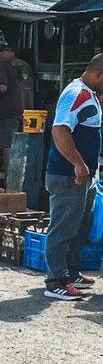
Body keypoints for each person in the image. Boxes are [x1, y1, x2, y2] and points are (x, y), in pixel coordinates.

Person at [43, 56, 103, 301]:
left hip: (82, 175)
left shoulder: (89, 95)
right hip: (68, 175)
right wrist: (78, 164)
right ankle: (55, 281)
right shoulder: (77, 93)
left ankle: (72, 273)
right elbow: (59, 130)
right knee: (62, 229)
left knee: (78, 226)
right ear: (100, 75)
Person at [0, 43, 34, 180]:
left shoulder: (3, 65)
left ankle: (9, 181)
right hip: (27, 112)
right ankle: (23, 180)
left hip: (9, 111)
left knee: (8, 146)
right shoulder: (24, 65)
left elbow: (3, 88)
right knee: (23, 146)